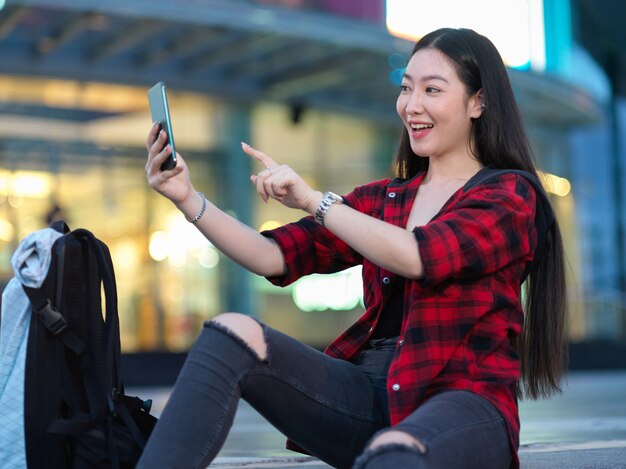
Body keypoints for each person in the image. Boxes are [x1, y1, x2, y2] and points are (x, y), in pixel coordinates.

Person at [138, 27, 567, 469]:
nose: (412, 105)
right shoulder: (384, 200)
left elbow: (422, 255)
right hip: (367, 396)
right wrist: (187, 197)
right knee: (231, 333)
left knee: (395, 452)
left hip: (462, 400)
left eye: (432, 90)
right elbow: (273, 255)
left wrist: (313, 200)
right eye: (406, 88)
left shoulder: (509, 195)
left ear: (478, 101)